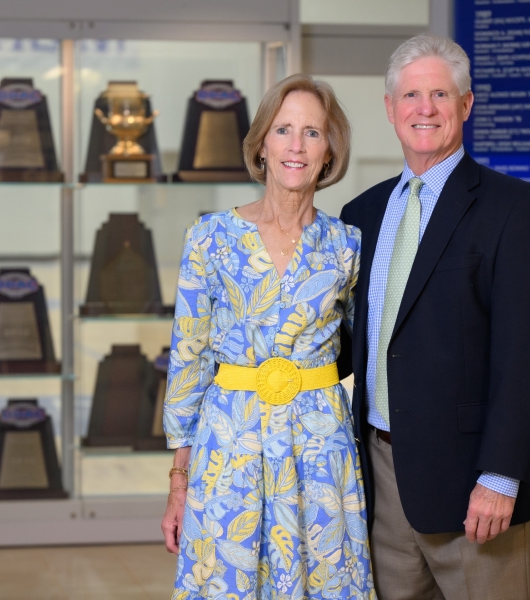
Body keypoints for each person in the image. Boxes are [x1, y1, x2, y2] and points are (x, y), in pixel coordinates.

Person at [338, 34, 530, 599]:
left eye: (440, 94)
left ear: (466, 105)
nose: (425, 108)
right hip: (382, 480)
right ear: (390, 109)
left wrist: (499, 476)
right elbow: (352, 342)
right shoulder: (360, 213)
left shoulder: (517, 209)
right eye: (411, 95)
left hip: (475, 487)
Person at [161, 74, 376, 600]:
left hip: (319, 450)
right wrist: (177, 481)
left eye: (312, 133)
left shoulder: (348, 245)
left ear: (330, 152)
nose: (296, 146)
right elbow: (187, 360)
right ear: (261, 145)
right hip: (229, 446)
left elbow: (369, 356)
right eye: (283, 130)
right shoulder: (209, 237)